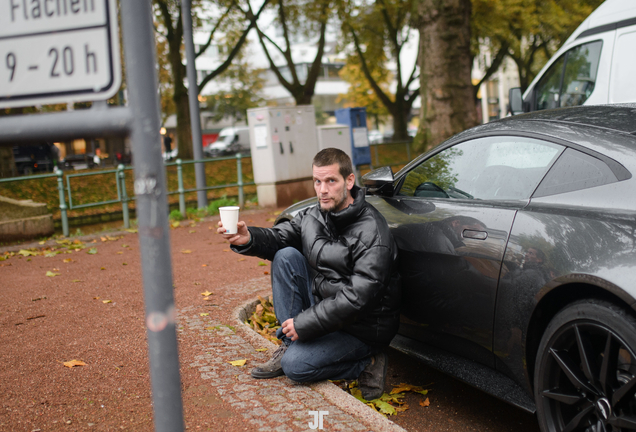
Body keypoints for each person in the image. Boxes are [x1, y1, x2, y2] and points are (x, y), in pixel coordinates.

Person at [217, 148, 400, 400]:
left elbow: (358, 298)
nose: (322, 190)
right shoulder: (314, 215)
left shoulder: (372, 233)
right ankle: (291, 344)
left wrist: (304, 324)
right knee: (285, 256)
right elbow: (280, 237)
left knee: (296, 367)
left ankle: (367, 362)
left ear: (349, 181)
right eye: (317, 181)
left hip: (362, 328)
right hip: (326, 310)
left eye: (331, 181)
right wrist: (248, 238)